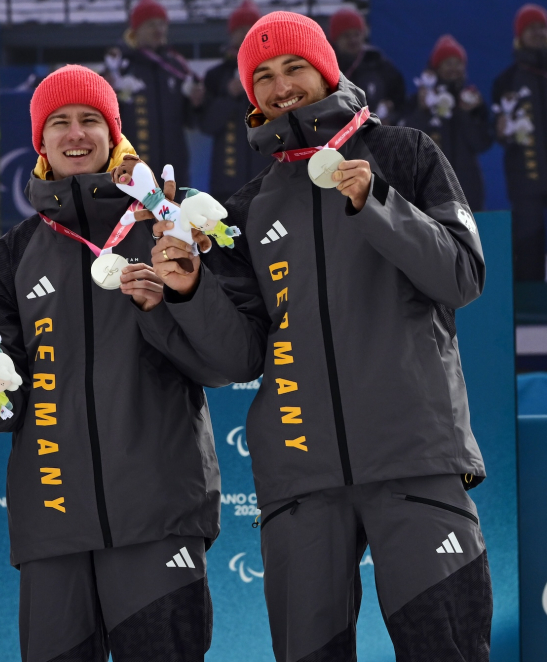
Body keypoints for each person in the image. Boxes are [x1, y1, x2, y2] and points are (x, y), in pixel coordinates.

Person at [156, 12, 488, 660]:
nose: (281, 87)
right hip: (300, 477)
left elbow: (462, 276)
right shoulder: (248, 207)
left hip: (414, 457)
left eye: (294, 68)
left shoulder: (406, 153)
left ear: (327, 71)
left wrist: (378, 204)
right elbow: (238, 357)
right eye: (263, 77)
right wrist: (191, 290)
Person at [0, 64, 223, 661]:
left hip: (158, 517)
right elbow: (3, 409)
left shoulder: (168, 223)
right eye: (60, 122)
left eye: (90, 120)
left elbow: (227, 359)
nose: (75, 134)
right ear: (40, 143)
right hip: (54, 528)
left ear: (113, 133)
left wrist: (179, 298)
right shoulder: (9, 258)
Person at [106, 0, 204, 175]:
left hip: (173, 170)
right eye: (151, 24)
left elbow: (190, 120)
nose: (158, 29)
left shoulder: (176, 66)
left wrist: (195, 104)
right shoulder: (120, 67)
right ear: (136, 29)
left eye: (162, 24)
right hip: (132, 170)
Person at [405, 35, 493, 210]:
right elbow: (408, 140)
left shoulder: (472, 101)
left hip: (468, 187)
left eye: (458, 63)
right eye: (448, 63)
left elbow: (482, 144)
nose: (454, 69)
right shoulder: (420, 101)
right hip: (430, 186)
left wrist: (466, 114)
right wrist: (422, 111)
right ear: (437, 68)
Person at [494, 3, 547, 280]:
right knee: (529, 246)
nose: (538, 33)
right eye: (531, 28)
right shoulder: (506, 81)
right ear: (520, 36)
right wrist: (501, 130)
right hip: (525, 180)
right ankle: (530, 300)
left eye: (542, 27)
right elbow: (496, 133)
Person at [201, 0, 270, 202]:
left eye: (251, 29)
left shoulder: (274, 73)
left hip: (267, 182)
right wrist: (229, 96)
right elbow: (207, 125)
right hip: (227, 184)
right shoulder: (216, 75)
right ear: (231, 34)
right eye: (240, 29)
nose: (246, 34)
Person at [330, 6, 407, 124]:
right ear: (336, 39)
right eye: (346, 36)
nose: (353, 40)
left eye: (357, 34)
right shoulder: (326, 67)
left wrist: (390, 116)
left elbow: (400, 102)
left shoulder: (378, 63)